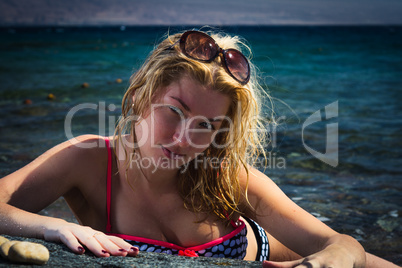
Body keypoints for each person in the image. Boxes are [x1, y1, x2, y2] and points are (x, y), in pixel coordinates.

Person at [0, 29, 398, 268]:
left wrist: (337, 257)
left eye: (206, 125)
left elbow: (338, 243)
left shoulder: (225, 176)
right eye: (175, 111)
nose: (184, 138)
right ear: (141, 96)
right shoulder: (88, 160)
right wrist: (57, 228)